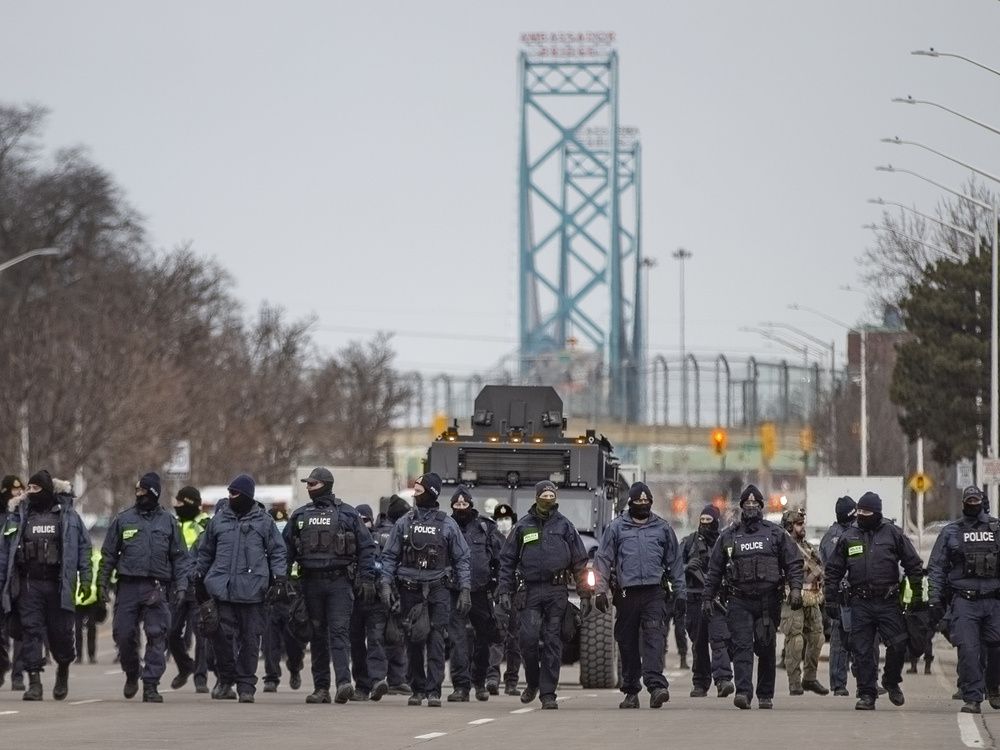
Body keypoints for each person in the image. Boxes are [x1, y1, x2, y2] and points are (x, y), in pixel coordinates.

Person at [703, 484, 803, 710]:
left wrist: (795, 588)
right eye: (747, 504)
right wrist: (707, 597)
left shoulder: (776, 534)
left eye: (755, 504)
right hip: (739, 600)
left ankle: (765, 694)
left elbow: (793, 562)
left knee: (766, 646)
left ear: (761, 506)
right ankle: (744, 692)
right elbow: (715, 570)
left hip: (768, 601)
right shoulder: (729, 536)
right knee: (742, 646)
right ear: (741, 507)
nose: (751, 507)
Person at [284, 467, 377, 705]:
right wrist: (282, 580)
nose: (308, 487)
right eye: (307, 484)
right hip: (310, 582)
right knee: (316, 635)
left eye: (313, 484)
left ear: (325, 484)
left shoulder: (347, 513)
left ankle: (344, 683)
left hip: (339, 582)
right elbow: (286, 550)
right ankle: (321, 688)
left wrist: (367, 578)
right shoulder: (300, 515)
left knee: (338, 632)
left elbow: (366, 547)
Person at [824, 491, 923, 711]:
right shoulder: (849, 536)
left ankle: (891, 680)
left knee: (898, 644)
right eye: (859, 511)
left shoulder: (893, 534)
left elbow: (914, 565)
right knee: (862, 651)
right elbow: (833, 570)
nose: (862, 515)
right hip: (860, 602)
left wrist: (915, 595)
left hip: (888, 601)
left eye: (866, 512)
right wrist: (830, 599)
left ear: (877, 513)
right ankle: (867, 694)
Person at [380, 473, 471, 708]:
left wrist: (465, 590)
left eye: (419, 491)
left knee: (436, 640)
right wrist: (386, 584)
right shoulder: (404, 522)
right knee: (413, 640)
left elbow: (462, 558)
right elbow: (390, 556)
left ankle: (433, 690)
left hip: (438, 589)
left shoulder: (447, 523)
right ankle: (417, 689)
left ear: (431, 493)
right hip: (410, 589)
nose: (415, 496)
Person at [0, 469, 92, 701]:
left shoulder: (68, 516)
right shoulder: (18, 516)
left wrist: (86, 579)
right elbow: (4, 553)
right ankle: (34, 682)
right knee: (30, 632)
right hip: (29, 586)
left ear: (48, 490)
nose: (30, 492)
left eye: (35, 488)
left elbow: (83, 548)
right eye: (28, 488)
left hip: (58, 585)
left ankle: (62, 669)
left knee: (60, 634)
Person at [196, 473, 288, 703]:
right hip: (222, 589)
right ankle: (226, 680)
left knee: (250, 639)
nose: (230, 496)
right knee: (221, 637)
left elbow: (278, 552)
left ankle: (246, 685)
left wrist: (279, 579)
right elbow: (205, 551)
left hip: (253, 591)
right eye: (229, 493)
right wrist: (198, 576)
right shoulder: (218, 520)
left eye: (235, 493)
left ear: (246, 495)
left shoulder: (264, 522)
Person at [497, 480, 588, 710]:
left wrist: (585, 593)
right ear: (536, 497)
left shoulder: (565, 527)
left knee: (552, 641)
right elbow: (507, 561)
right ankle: (533, 682)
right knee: (526, 639)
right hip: (529, 591)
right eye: (544, 494)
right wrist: (504, 591)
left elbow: (579, 562)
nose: (548, 498)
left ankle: (548, 694)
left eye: (551, 494)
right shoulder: (523, 526)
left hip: (556, 592)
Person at [100, 472, 190, 703]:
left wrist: (181, 586)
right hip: (128, 585)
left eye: (144, 491)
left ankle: (151, 684)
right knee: (123, 634)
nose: (139, 495)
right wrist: (102, 583)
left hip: (156, 586)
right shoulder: (123, 520)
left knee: (157, 634)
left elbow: (180, 558)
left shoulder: (168, 522)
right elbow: (109, 554)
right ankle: (132, 672)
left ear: (154, 493)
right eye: (137, 491)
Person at [594, 481, 682, 709]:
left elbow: (674, 562)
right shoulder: (616, 528)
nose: (643, 504)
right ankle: (631, 691)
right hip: (626, 594)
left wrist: (680, 593)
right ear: (630, 502)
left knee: (654, 638)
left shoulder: (662, 528)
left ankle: (656, 687)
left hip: (654, 592)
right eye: (638, 501)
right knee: (627, 642)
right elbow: (603, 559)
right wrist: (600, 590)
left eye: (646, 501)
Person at [928, 486, 1000, 714]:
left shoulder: (996, 529)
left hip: (993, 601)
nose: (972, 503)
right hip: (964, 601)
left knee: (996, 649)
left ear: (981, 501)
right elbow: (937, 567)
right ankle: (972, 697)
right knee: (969, 651)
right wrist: (934, 598)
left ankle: (994, 686)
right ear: (963, 503)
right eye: (968, 500)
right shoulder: (951, 532)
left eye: (975, 500)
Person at [445, 486, 503, 702]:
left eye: (464, 504)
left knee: (484, 638)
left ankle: (479, 682)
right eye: (457, 505)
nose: (461, 508)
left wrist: (498, 585)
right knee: (457, 640)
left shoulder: (485, 528)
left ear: (471, 505)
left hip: (481, 591)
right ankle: (461, 686)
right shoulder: (446, 526)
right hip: (454, 591)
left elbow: (500, 558)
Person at [681, 505, 734, 698]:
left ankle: (723, 680)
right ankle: (700, 683)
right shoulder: (689, 543)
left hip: (716, 599)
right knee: (699, 643)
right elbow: (674, 566)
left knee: (719, 640)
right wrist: (687, 567)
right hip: (694, 599)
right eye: (701, 521)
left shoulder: (725, 541)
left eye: (708, 522)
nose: (704, 525)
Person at [167, 486, 212, 693]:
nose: (177, 507)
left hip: (198, 585)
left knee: (201, 633)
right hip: (176, 585)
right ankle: (186, 666)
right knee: (171, 631)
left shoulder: (206, 524)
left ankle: (200, 677)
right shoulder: (172, 524)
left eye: (181, 504)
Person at [779, 508, 828, 696]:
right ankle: (794, 682)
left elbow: (819, 567)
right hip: (792, 597)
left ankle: (810, 678)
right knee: (795, 640)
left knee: (817, 637)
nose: (803, 527)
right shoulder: (784, 546)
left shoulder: (806, 546)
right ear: (790, 526)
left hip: (812, 597)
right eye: (799, 524)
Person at [348, 503, 388, 701]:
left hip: (377, 600)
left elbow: (389, 566)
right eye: (359, 521)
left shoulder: (381, 541)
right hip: (354, 599)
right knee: (356, 643)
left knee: (376, 639)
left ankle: (377, 680)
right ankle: (362, 685)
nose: (363, 525)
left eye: (366, 520)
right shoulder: (348, 542)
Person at [263, 506, 304, 693]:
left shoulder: (296, 541)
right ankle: (271, 677)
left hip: (292, 597)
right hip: (272, 597)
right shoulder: (265, 543)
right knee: (270, 642)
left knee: (293, 641)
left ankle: (295, 668)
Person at [818, 495, 856, 697]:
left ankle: (866, 680)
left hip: (858, 593)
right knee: (841, 639)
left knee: (863, 638)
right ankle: (839, 683)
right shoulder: (834, 537)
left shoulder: (855, 532)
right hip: (842, 594)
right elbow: (835, 568)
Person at [374, 495, 411, 694]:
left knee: (384, 636)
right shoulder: (397, 532)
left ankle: (385, 678)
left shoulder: (375, 532)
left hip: (379, 590)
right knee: (395, 636)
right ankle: (394, 679)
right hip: (394, 588)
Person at [487, 502, 522, 696]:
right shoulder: (492, 540)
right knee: (497, 636)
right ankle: (492, 677)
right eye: (499, 519)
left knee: (515, 640)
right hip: (498, 594)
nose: (503, 523)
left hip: (518, 594)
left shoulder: (520, 538)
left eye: (507, 519)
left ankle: (512, 682)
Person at [0, 475, 25, 689]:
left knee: (20, 629)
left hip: (20, 579)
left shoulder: (25, 514)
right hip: (1, 579)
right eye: (13, 490)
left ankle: (18, 674)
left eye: (20, 489)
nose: (17, 493)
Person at [74, 544, 103, 664]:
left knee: (91, 627)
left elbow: (101, 575)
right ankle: (79, 656)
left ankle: (91, 655)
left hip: (93, 598)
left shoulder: (97, 557)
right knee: (77, 629)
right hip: (77, 598)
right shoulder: (74, 556)